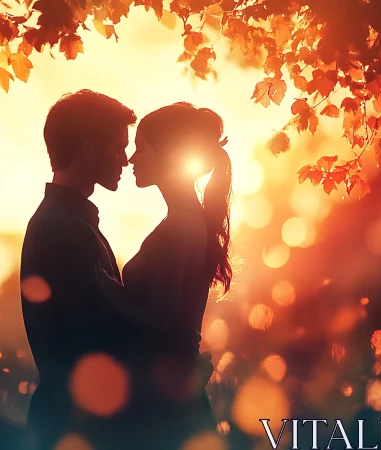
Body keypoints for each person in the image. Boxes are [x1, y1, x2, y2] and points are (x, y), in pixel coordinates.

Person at [19, 90, 214, 450]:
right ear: (89, 149)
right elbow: (101, 338)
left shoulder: (72, 223)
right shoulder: (66, 230)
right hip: (78, 426)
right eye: (121, 147)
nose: (126, 161)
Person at [97, 102, 231, 448]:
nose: (131, 159)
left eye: (140, 148)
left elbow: (161, 321)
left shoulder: (180, 229)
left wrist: (107, 292)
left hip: (166, 406)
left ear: (167, 154)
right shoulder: (188, 222)